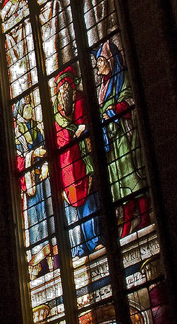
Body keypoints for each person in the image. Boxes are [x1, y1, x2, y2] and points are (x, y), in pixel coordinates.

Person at [95, 40, 150, 235]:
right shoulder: (103, 86)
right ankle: (127, 218)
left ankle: (143, 214)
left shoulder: (121, 77)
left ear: (109, 60)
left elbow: (129, 99)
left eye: (100, 61)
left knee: (132, 175)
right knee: (118, 181)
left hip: (124, 135)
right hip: (111, 138)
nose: (97, 66)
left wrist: (113, 110)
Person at [53, 68, 101, 257]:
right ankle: (77, 248)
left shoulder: (79, 100)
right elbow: (58, 138)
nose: (65, 91)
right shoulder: (55, 115)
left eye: (67, 86)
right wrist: (73, 132)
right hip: (65, 167)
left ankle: (95, 240)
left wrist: (83, 130)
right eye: (61, 88)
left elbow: (87, 121)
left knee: (89, 203)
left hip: (82, 159)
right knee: (70, 210)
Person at [13, 96, 53, 276]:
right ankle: (37, 263)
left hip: (43, 183)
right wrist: (32, 155)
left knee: (49, 217)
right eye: (26, 105)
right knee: (36, 223)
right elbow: (17, 162)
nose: (29, 108)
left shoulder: (37, 130)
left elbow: (47, 149)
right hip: (30, 190)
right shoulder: (17, 135)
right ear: (20, 111)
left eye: (30, 104)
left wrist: (45, 163)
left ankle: (53, 258)